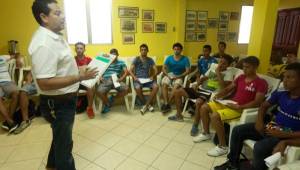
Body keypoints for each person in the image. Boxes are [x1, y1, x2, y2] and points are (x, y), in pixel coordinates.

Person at [29, 1, 97, 169]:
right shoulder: (44, 43)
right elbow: (44, 83)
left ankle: (51, 166)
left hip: (65, 99)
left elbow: (61, 67)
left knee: (60, 139)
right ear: (44, 17)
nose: (63, 16)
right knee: (65, 148)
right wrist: (79, 76)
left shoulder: (56, 36)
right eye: (57, 13)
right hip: (57, 103)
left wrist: (79, 68)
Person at [215, 63, 300, 170]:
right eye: (284, 77)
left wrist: (285, 136)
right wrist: (259, 122)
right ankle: (232, 164)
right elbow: (263, 106)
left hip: (290, 134)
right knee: (237, 131)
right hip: (274, 127)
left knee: (259, 147)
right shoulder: (281, 93)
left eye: (289, 77)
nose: (285, 81)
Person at [193, 56, 268, 157]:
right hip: (230, 103)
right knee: (204, 107)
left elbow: (258, 102)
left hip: (241, 109)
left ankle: (223, 146)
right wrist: (219, 95)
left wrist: (240, 107)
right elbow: (228, 89)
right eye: (243, 67)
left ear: (255, 67)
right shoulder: (241, 77)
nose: (244, 69)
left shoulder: (261, 83)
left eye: (247, 67)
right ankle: (206, 133)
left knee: (215, 116)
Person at [168, 55, 234, 123]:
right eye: (220, 62)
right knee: (177, 92)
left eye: (224, 63)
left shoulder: (229, 73)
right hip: (200, 89)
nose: (221, 64)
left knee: (198, 102)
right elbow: (203, 78)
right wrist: (197, 84)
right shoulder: (213, 68)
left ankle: (195, 125)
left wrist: (218, 72)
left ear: (228, 65)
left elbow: (223, 87)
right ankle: (179, 115)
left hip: (210, 94)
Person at [129, 44, 159, 115]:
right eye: (142, 50)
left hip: (147, 79)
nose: (143, 51)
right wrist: (134, 77)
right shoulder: (136, 59)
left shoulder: (150, 60)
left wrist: (153, 76)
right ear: (140, 51)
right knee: (137, 87)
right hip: (138, 79)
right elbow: (130, 70)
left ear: (147, 51)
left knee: (156, 87)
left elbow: (156, 70)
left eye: (145, 50)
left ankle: (145, 105)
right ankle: (147, 104)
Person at [96, 48, 128, 114]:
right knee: (99, 91)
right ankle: (107, 104)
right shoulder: (106, 61)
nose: (114, 57)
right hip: (106, 80)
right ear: (110, 56)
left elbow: (126, 72)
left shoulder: (121, 62)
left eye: (115, 55)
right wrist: (100, 77)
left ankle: (113, 98)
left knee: (126, 89)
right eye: (112, 55)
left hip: (116, 80)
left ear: (117, 55)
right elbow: (98, 69)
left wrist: (121, 79)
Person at [161, 42, 190, 113]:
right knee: (164, 84)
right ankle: (166, 103)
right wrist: (167, 75)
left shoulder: (185, 59)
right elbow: (163, 68)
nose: (176, 50)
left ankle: (168, 103)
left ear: (181, 50)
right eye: (175, 49)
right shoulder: (169, 58)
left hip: (179, 76)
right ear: (173, 50)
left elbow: (187, 71)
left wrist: (178, 76)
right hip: (170, 75)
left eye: (178, 49)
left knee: (176, 86)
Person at [74, 42, 95, 118]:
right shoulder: (72, 60)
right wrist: (83, 68)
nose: (79, 50)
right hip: (76, 81)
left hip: (86, 81)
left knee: (91, 87)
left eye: (81, 48)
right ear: (75, 49)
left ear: (84, 50)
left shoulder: (89, 59)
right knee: (70, 88)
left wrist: (80, 69)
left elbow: (92, 70)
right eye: (77, 48)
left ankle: (90, 108)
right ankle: (74, 107)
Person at [0, 54, 20, 133]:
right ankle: (10, 122)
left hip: (7, 82)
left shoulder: (3, 57)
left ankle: (8, 121)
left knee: (16, 93)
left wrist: (18, 59)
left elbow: (16, 55)